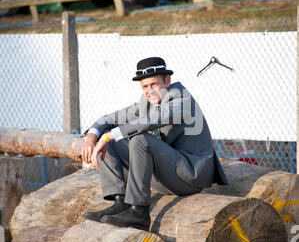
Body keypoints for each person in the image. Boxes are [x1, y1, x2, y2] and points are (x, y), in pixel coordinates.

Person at [81, 56, 228, 231]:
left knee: (138, 139)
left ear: (167, 80)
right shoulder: (146, 103)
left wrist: (109, 136)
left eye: (154, 84)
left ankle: (140, 212)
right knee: (107, 138)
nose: (149, 91)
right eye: (145, 86)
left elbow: (154, 120)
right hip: (167, 175)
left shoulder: (182, 99)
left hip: (190, 178)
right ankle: (120, 203)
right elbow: (108, 118)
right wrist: (92, 136)